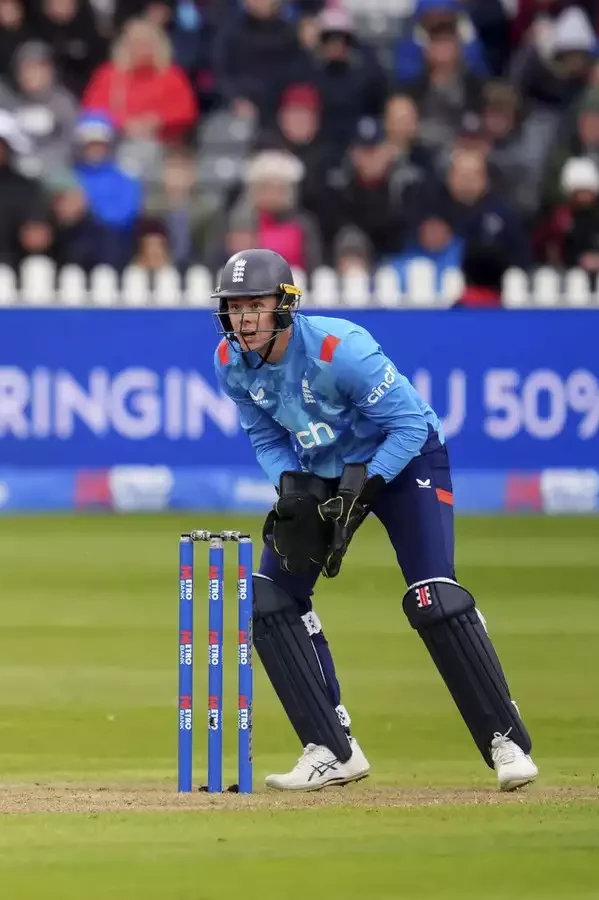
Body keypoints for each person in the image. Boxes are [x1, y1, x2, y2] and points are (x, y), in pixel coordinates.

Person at [211, 248, 538, 793]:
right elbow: (264, 434)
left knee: (433, 597)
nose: (243, 320)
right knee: (268, 598)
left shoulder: (343, 350)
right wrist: (291, 489)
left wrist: (362, 492)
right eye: (234, 307)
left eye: (256, 306)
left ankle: (505, 739)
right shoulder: (229, 361)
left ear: (285, 307)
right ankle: (331, 749)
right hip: (324, 474)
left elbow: (409, 425)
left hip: (405, 463)